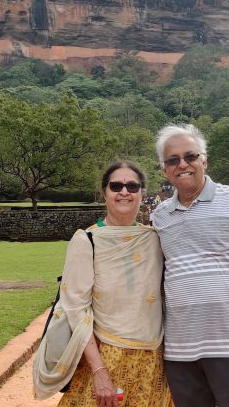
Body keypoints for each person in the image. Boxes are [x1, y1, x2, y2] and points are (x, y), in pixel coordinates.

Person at [151, 124, 229, 407]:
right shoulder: (160, 217)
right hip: (180, 351)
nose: (182, 164)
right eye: (173, 160)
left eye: (190, 156)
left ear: (204, 160)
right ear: (164, 169)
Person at [34, 161, 174, 407]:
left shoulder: (154, 239)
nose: (124, 192)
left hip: (153, 359)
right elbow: (75, 309)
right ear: (104, 192)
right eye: (116, 185)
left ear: (142, 192)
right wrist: (99, 372)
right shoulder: (87, 240)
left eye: (132, 186)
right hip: (105, 356)